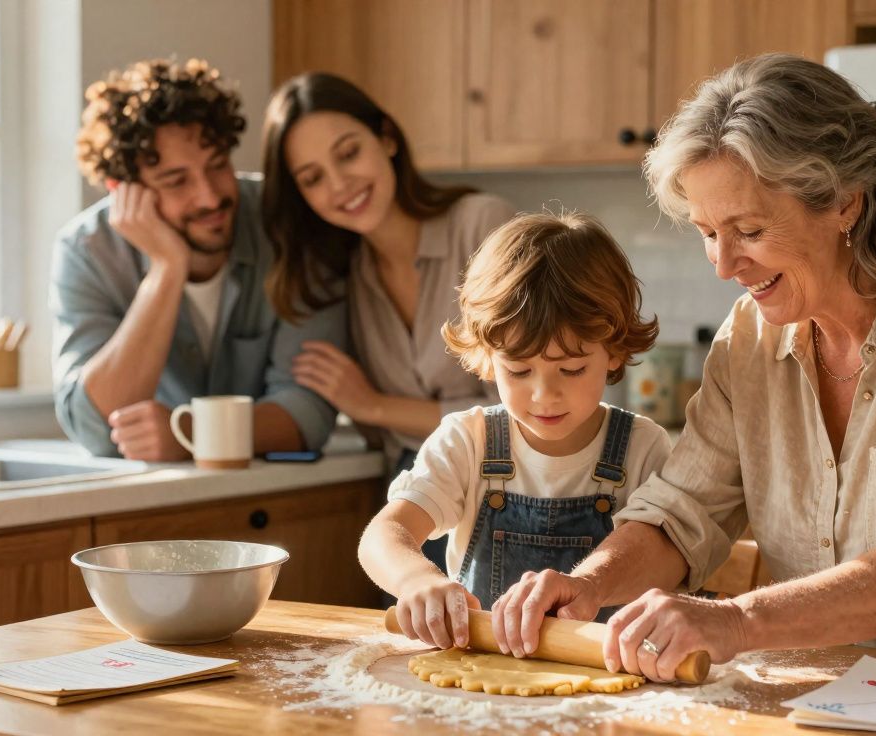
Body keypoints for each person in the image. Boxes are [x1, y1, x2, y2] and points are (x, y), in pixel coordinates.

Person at [491, 53, 876, 680]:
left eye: (750, 230)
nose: (723, 263)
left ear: (845, 202)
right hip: (833, 680)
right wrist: (588, 585)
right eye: (709, 232)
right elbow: (686, 513)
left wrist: (737, 622)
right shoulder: (749, 336)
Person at [357, 213, 671, 650]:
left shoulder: (643, 448)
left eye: (572, 369)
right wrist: (415, 579)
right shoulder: (468, 442)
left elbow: (668, 560)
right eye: (519, 370)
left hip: (611, 686)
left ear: (615, 351)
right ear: (488, 357)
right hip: (481, 679)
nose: (545, 395)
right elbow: (383, 535)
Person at [51, 59, 342, 460]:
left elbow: (309, 410)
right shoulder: (86, 252)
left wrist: (193, 434)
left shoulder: (289, 224)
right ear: (122, 190)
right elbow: (95, 427)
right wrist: (167, 269)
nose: (209, 196)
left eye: (218, 165)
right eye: (177, 181)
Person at [261, 73, 515, 481]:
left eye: (348, 153)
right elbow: (380, 437)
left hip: (516, 489)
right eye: (313, 178)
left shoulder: (484, 225)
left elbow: (522, 411)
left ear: (387, 139)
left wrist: (373, 405)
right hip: (417, 491)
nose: (340, 183)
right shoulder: (347, 277)